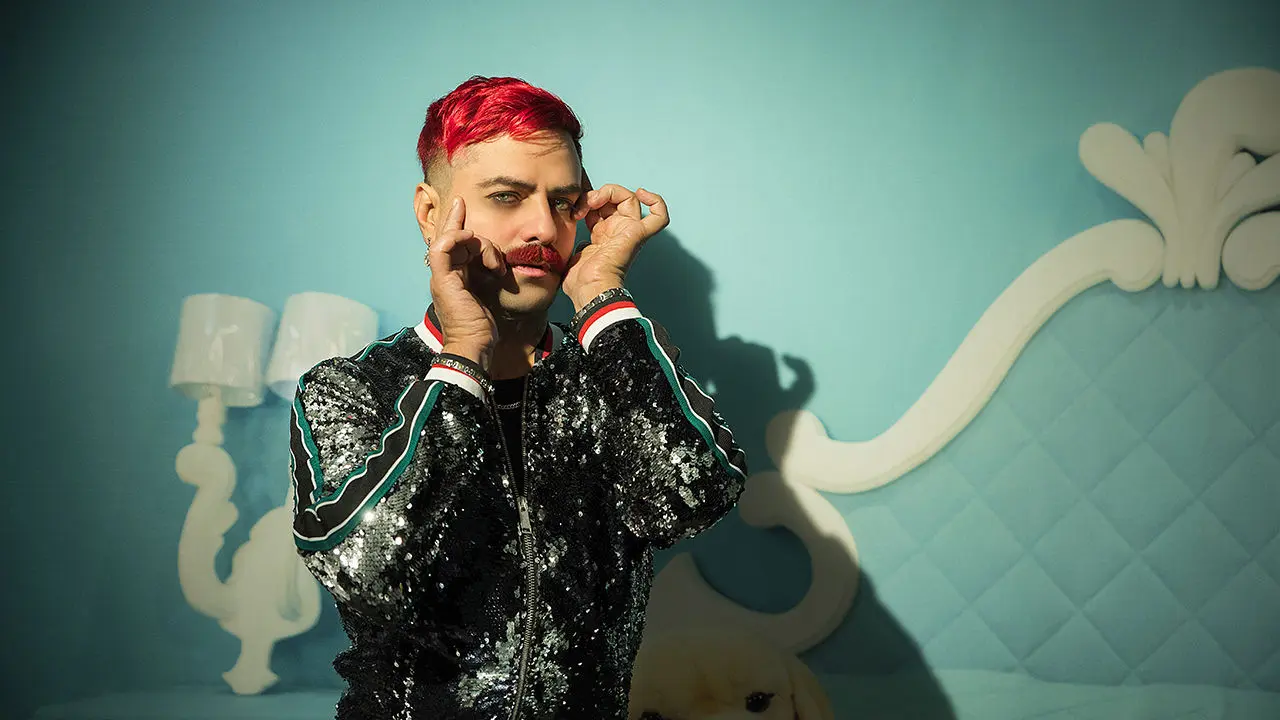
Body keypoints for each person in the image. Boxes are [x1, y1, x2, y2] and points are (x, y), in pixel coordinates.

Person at [288, 75, 747, 719]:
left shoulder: (610, 375)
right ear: (430, 211)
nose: (544, 226)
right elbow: (369, 568)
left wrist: (602, 297)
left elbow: (692, 499)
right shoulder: (352, 388)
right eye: (507, 196)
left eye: (565, 202)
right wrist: (463, 358)